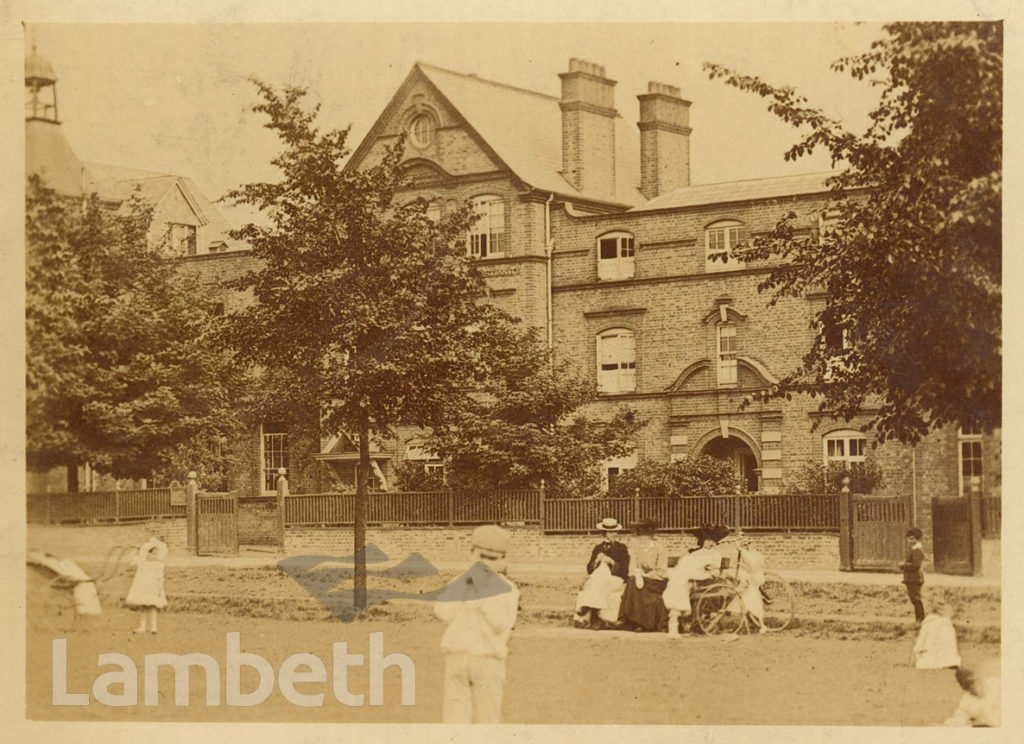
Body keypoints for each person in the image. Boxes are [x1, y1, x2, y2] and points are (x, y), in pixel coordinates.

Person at [434, 524, 520, 724]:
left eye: (493, 558)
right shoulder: (460, 582)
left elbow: (501, 623)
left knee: (487, 717)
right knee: (454, 717)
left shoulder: (507, 589)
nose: (486, 564)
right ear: (471, 554)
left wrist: (482, 593)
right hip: (457, 654)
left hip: (487, 657)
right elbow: (442, 611)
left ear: (503, 561)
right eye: (481, 556)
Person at [663, 524, 728, 636]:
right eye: (707, 540)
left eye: (713, 541)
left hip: (702, 579)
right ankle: (676, 617)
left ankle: (674, 622)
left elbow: (715, 573)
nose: (710, 543)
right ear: (703, 540)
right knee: (678, 581)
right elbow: (683, 566)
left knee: (681, 583)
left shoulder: (715, 554)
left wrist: (709, 569)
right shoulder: (695, 553)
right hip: (687, 575)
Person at [573, 517, 630, 629]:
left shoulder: (621, 548)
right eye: (610, 532)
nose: (614, 534)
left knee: (601, 573)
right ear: (604, 533)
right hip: (600, 581)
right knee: (600, 572)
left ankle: (588, 608)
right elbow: (589, 569)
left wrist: (612, 562)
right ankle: (595, 617)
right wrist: (596, 561)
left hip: (615, 579)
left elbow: (625, 570)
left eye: (615, 531)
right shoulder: (598, 548)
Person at [619, 519, 669, 632]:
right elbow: (631, 569)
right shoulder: (636, 549)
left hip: (656, 580)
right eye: (640, 536)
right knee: (632, 581)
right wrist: (638, 573)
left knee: (634, 584)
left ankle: (633, 622)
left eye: (645, 536)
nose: (642, 540)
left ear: (651, 536)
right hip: (640, 579)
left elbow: (662, 572)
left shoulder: (660, 548)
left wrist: (645, 575)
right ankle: (639, 623)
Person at [124, 535, 168, 634]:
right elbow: (131, 563)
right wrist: (135, 552)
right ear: (147, 553)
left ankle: (154, 627)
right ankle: (142, 627)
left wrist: (160, 589)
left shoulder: (158, 565)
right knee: (143, 606)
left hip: (152, 588)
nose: (154, 555)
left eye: (156, 553)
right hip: (142, 587)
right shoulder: (142, 562)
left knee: (152, 607)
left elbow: (160, 578)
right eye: (152, 553)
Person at [944, 659, 1000, 727]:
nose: (977, 689)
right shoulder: (967, 700)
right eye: (971, 690)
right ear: (965, 689)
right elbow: (960, 716)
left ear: (982, 676)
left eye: (980, 683)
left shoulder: (998, 685)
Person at [913, 595, 961, 670]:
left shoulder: (929, 622)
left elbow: (921, 643)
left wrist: (917, 649)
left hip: (935, 655)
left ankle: (940, 660)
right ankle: (948, 660)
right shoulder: (947, 622)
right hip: (952, 659)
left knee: (924, 660)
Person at [899, 527, 926, 626]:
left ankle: (921, 620)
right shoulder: (914, 550)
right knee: (914, 599)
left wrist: (903, 565)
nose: (909, 541)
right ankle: (919, 620)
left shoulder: (917, 551)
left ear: (917, 539)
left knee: (916, 599)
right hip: (912, 578)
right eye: (908, 539)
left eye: (912, 539)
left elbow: (916, 565)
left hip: (914, 578)